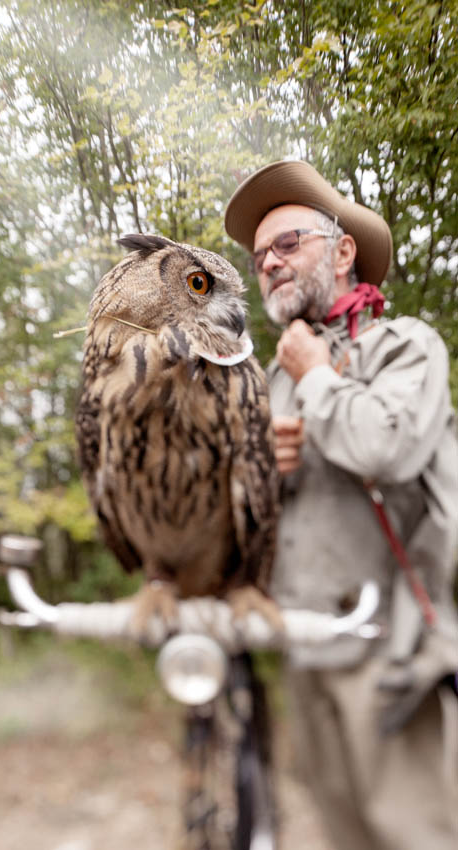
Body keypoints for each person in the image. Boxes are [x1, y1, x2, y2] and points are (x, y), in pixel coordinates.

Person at [225, 160, 458, 850]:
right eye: (259, 255)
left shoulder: (405, 346)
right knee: (342, 834)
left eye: (287, 243)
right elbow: (247, 523)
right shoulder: (268, 381)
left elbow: (384, 450)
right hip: (303, 648)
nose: (268, 262)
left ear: (343, 251)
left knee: (413, 834)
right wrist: (252, 470)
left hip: (393, 654)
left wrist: (317, 377)